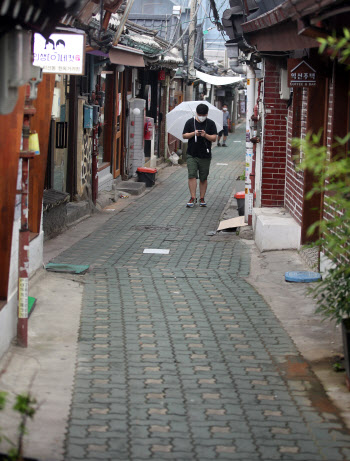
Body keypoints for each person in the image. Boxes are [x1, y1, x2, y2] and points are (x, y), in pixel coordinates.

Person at [182, 103, 217, 208]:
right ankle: (193, 197)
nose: (202, 116)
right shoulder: (190, 122)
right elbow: (184, 135)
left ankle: (202, 198)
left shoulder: (211, 123)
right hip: (192, 154)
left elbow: (214, 138)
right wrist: (194, 133)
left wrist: (205, 135)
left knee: (203, 177)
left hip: (205, 155)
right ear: (196, 113)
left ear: (207, 114)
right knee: (191, 175)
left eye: (204, 114)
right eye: (200, 114)